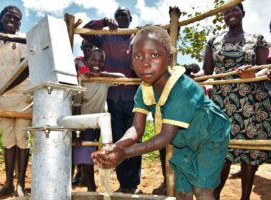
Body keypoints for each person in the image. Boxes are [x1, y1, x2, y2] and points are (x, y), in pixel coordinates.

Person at [92, 25, 231, 200]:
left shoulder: (182, 88)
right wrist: (116, 146)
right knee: (182, 190)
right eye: (137, 56)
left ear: (169, 58)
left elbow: (166, 136)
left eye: (154, 55)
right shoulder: (144, 89)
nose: (145, 63)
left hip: (211, 136)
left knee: (201, 190)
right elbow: (137, 128)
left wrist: (125, 153)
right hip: (183, 140)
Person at [193, 3, 270, 200]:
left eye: (234, 9)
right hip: (222, 103)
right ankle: (214, 195)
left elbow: (265, 68)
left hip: (252, 104)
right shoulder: (214, 41)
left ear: (243, 13)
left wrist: (252, 73)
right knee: (221, 150)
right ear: (223, 17)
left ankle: (245, 196)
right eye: (226, 11)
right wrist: (192, 75)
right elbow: (207, 71)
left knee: (250, 150)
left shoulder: (257, 40)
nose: (230, 14)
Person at [81, 6, 142, 194]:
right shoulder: (105, 36)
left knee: (134, 138)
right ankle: (124, 183)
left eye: (125, 14)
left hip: (134, 96)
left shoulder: (137, 36)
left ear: (131, 19)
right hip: (113, 98)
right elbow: (86, 32)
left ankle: (134, 184)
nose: (121, 17)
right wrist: (104, 22)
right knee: (118, 139)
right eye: (118, 15)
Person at [0, 5, 31, 198]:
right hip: (2, 100)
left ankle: (20, 184)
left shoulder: (22, 41)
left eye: (17, 18)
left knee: (21, 139)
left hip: (23, 96)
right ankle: (8, 183)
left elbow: (25, 71)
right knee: (8, 141)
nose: (12, 19)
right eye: (8, 16)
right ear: (1, 18)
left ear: (20, 23)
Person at [72, 48, 125, 191]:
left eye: (101, 61)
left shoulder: (104, 79)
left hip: (96, 124)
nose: (97, 63)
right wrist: (77, 132)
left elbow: (121, 77)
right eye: (93, 60)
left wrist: (101, 74)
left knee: (88, 154)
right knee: (82, 154)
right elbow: (76, 107)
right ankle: (89, 186)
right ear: (87, 61)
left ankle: (91, 187)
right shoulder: (82, 80)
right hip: (82, 123)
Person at [72, 39, 95, 187]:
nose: (87, 48)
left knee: (88, 143)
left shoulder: (96, 61)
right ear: (81, 48)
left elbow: (86, 73)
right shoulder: (77, 60)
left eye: (89, 46)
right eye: (84, 46)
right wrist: (80, 64)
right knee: (76, 140)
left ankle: (84, 176)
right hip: (75, 101)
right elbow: (83, 73)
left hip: (90, 105)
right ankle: (79, 173)